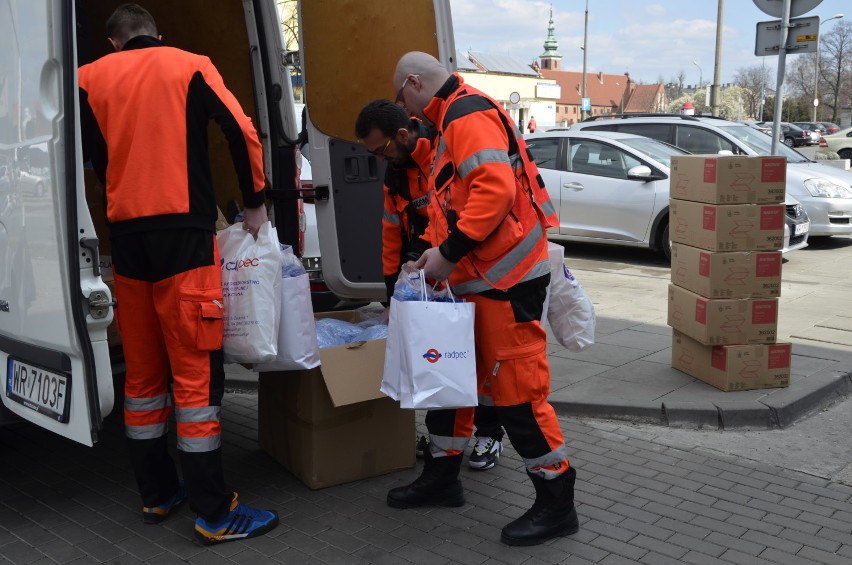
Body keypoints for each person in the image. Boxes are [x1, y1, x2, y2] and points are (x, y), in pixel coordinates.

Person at [78, 3, 278, 546]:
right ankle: (215, 512)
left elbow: (90, 157)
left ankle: (158, 493)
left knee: (142, 379)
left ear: (114, 42)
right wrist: (256, 200)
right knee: (194, 379)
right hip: (185, 238)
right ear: (156, 35)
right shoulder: (189, 63)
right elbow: (242, 131)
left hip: (127, 241)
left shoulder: (87, 78)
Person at [388, 51, 579, 546]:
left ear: (413, 83)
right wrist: (432, 257)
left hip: (506, 281)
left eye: (401, 96)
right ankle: (442, 478)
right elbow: (460, 204)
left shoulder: (464, 113)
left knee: (518, 395)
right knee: (453, 384)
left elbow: (491, 192)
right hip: (482, 280)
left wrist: (447, 254)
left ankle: (557, 502)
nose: (404, 109)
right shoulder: (456, 117)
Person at [354, 100, 507, 472]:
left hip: (475, 270)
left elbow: (472, 210)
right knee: (442, 360)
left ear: (401, 136)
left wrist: (434, 253)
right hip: (431, 272)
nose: (380, 158)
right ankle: (446, 446)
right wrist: (393, 296)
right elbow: (390, 236)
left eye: (381, 149)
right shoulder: (395, 176)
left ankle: (489, 434)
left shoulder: (445, 152)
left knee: (485, 363)